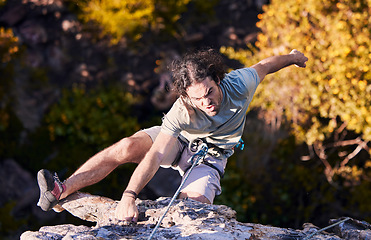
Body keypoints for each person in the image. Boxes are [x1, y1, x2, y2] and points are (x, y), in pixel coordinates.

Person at [37, 48, 308, 225]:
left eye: (210, 92)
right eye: (198, 98)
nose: (207, 102)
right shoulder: (183, 109)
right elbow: (156, 154)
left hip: (209, 158)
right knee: (127, 146)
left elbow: (266, 64)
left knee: (193, 210)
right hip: (179, 142)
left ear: (217, 79)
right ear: (186, 95)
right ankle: (61, 189)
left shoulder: (239, 84)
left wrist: (293, 57)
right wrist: (129, 196)